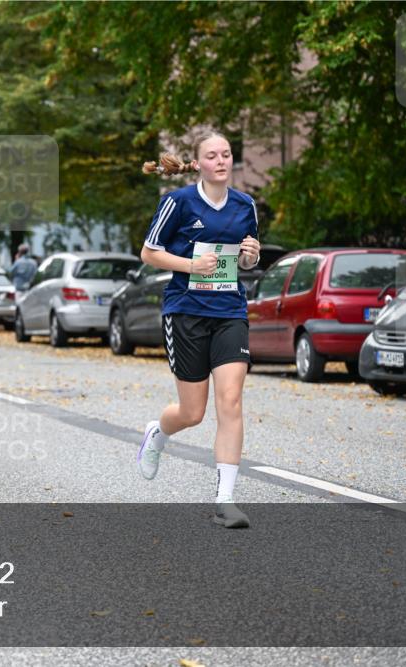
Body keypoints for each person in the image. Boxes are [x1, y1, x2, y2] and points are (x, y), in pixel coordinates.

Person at [135, 131, 261, 529]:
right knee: (193, 412)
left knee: (232, 400)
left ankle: (225, 501)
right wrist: (191, 266)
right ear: (199, 163)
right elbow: (149, 252)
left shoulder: (246, 206)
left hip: (230, 311)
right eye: (213, 155)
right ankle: (158, 433)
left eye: (226, 154)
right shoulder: (178, 202)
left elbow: (243, 261)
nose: (222, 160)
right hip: (186, 312)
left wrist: (249, 256)